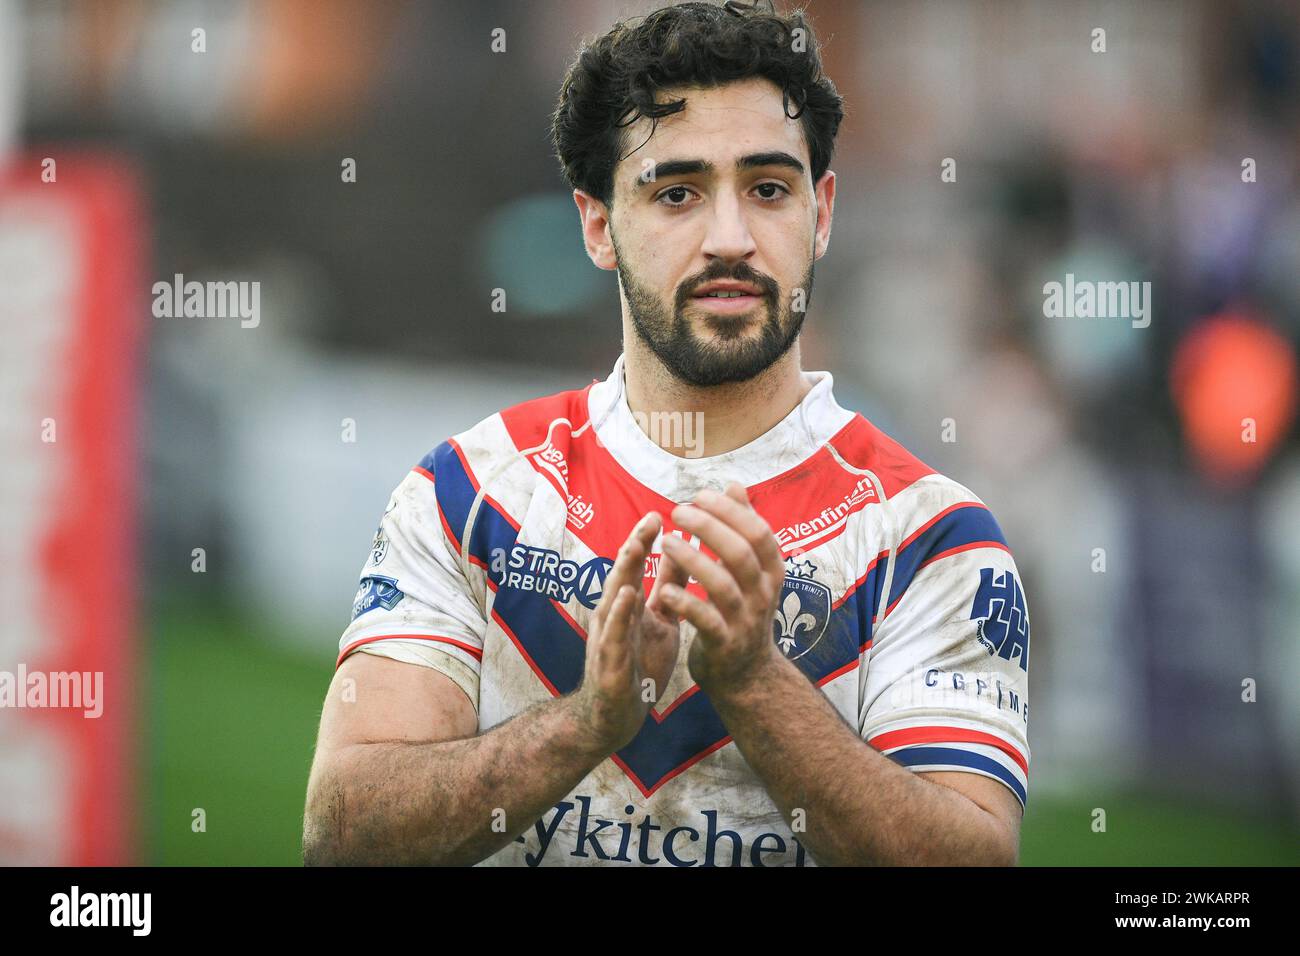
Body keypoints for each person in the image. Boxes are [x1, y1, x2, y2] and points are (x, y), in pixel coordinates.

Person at [303, 0, 1030, 867]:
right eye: (677, 193)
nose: (731, 239)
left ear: (822, 212)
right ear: (599, 226)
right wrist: (583, 725)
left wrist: (756, 684)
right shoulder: (471, 492)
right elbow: (340, 837)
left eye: (768, 189)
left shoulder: (932, 538)